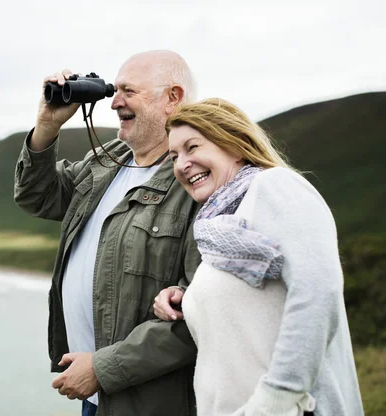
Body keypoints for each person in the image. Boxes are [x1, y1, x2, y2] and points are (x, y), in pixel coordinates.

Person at [13, 50, 202, 416]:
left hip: (150, 404)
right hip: (98, 398)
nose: (114, 102)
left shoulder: (196, 179)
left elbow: (199, 313)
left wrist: (102, 369)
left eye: (129, 92)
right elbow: (37, 196)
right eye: (115, 90)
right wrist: (47, 124)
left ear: (173, 98)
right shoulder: (108, 159)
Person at [154, 98, 364, 416]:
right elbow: (255, 305)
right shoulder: (217, 231)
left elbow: (317, 288)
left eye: (192, 147)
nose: (181, 164)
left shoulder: (274, 185)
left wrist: (278, 398)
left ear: (235, 146)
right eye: (174, 156)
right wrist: (189, 298)